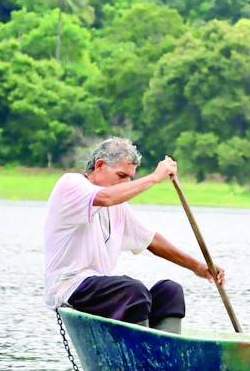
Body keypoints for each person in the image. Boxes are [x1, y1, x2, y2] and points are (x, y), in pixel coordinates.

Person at [42, 137, 226, 333]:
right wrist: (155, 177)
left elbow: (150, 240)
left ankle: (164, 356)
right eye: (121, 175)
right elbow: (105, 198)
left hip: (98, 291)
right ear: (100, 166)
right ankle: (143, 352)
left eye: (130, 177)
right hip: (70, 287)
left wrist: (198, 266)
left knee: (170, 292)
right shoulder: (71, 184)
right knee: (133, 291)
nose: (126, 182)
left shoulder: (118, 205)